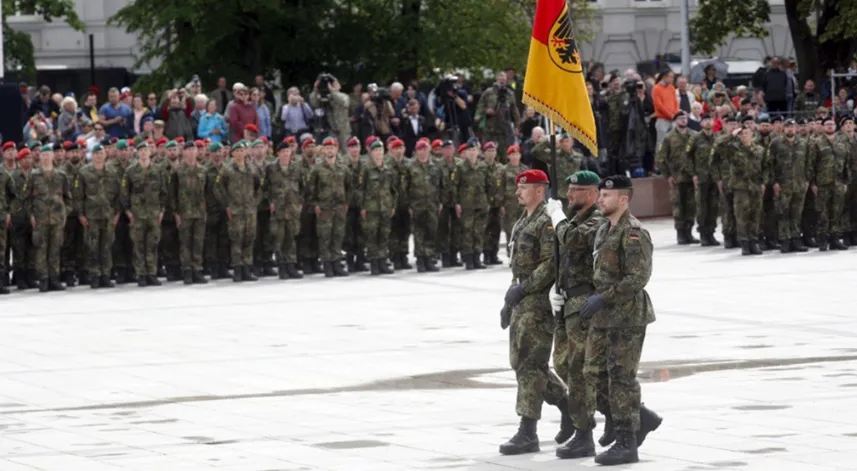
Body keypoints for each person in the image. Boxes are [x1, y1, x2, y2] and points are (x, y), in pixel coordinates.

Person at [581, 175, 660, 465]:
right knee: (593, 372)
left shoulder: (634, 232)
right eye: (600, 195)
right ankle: (641, 416)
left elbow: (638, 277)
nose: (600, 200)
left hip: (626, 316)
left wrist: (605, 297)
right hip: (602, 316)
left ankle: (627, 441)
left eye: (606, 196)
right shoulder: (604, 229)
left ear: (623, 199)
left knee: (621, 379)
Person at [498, 168, 569, 456]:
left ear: (540, 191)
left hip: (537, 304)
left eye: (524, 188)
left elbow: (550, 265)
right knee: (522, 363)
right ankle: (568, 406)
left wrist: (524, 289)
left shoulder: (546, 222)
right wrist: (509, 301)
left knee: (529, 366)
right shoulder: (521, 222)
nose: (518, 192)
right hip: (521, 301)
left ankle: (528, 431)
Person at [546, 170, 607, 458]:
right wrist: (557, 289)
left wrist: (557, 218)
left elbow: (573, 241)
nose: (569, 195)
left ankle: (585, 433)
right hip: (568, 301)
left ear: (593, 194)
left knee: (580, 371)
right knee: (563, 365)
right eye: (569, 189)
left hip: (585, 303)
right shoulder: (576, 219)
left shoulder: (596, 220)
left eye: (577, 190)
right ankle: (630, 419)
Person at [74, 144, 121, 289]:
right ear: (92, 155)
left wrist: (117, 213)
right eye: (96, 153)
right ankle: (94, 275)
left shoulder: (112, 172)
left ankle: (106, 275)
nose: (99, 156)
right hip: (91, 216)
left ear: (105, 154)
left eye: (101, 153)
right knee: (92, 246)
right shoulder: (84, 172)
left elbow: (118, 195)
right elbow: (78, 196)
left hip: (108, 214)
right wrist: (81, 214)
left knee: (106, 246)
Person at [215, 141, 262, 282]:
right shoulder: (227, 169)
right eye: (237, 151)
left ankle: (247, 268)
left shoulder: (252, 169)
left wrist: (255, 202)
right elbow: (218, 188)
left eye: (242, 151)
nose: (240, 154)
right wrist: (226, 205)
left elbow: (259, 187)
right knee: (236, 240)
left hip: (249, 210)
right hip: (235, 211)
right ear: (233, 153)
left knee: (249, 239)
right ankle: (237, 269)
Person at [122, 142, 167, 286]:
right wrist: (128, 212)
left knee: (152, 244)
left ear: (150, 152)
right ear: (137, 153)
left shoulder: (158, 170)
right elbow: (124, 193)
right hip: (137, 214)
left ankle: (152, 273)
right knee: (138, 245)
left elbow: (163, 192)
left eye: (145, 150)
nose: (143, 153)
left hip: (153, 213)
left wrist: (162, 210)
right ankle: (141, 273)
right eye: (141, 150)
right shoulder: (130, 171)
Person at [28, 144, 72, 292]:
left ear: (53, 156)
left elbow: (68, 198)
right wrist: (31, 215)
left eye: (48, 154)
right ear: (40, 157)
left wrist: (64, 213)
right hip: (40, 219)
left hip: (57, 219)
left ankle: (54, 278)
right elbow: (26, 198)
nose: (46, 157)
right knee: (41, 249)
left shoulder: (61, 176)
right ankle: (43, 279)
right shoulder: (33, 176)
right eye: (43, 154)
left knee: (55, 249)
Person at [309, 136, 350, 277]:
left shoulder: (343, 168)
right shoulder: (317, 169)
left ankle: (337, 262)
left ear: (337, 149)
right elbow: (310, 189)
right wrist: (315, 204)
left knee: (338, 235)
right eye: (327, 148)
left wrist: (346, 202)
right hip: (324, 208)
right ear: (323, 151)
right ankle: (327, 264)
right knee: (325, 236)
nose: (330, 150)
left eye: (332, 148)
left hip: (339, 208)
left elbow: (349, 186)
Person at [656, 111, 698, 244]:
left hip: (692, 177)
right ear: (675, 121)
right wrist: (667, 175)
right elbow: (661, 158)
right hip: (677, 177)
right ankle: (681, 233)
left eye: (685, 118)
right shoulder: (669, 137)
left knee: (691, 206)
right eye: (680, 118)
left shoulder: (694, 135)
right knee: (679, 206)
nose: (683, 120)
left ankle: (689, 232)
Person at [170, 142, 209, 284]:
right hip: (184, 212)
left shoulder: (203, 170)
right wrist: (175, 213)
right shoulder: (178, 171)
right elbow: (172, 194)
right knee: (185, 243)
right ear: (184, 152)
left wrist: (206, 211)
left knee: (198, 242)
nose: (192, 152)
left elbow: (207, 192)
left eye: (194, 150)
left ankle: (197, 269)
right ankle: (187, 270)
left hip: (199, 212)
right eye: (189, 150)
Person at [358, 139, 397, 275]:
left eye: (381, 150)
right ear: (371, 152)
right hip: (371, 208)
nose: (379, 153)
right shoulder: (366, 169)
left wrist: (393, 205)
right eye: (376, 150)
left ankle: (382, 261)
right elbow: (360, 189)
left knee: (384, 235)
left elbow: (393, 189)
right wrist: (362, 207)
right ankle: (374, 263)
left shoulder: (388, 169)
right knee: (372, 235)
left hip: (385, 207)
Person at [266, 142, 304, 279]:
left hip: (292, 208)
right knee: (279, 238)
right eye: (283, 152)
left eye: (288, 152)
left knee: (291, 238)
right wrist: (270, 202)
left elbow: (303, 187)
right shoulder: (271, 168)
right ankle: (282, 266)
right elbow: (265, 188)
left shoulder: (296, 168)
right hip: (278, 209)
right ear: (278, 153)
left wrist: (300, 202)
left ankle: (291, 266)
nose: (286, 154)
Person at [407, 139, 442, 272]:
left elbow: (440, 185)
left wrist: (440, 202)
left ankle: (429, 258)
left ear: (429, 150)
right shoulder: (411, 167)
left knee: (431, 231)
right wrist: (408, 205)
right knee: (418, 232)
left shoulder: (435, 166)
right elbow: (406, 188)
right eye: (420, 150)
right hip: (417, 205)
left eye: (425, 149)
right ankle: (420, 259)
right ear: (416, 152)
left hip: (432, 204)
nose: (422, 153)